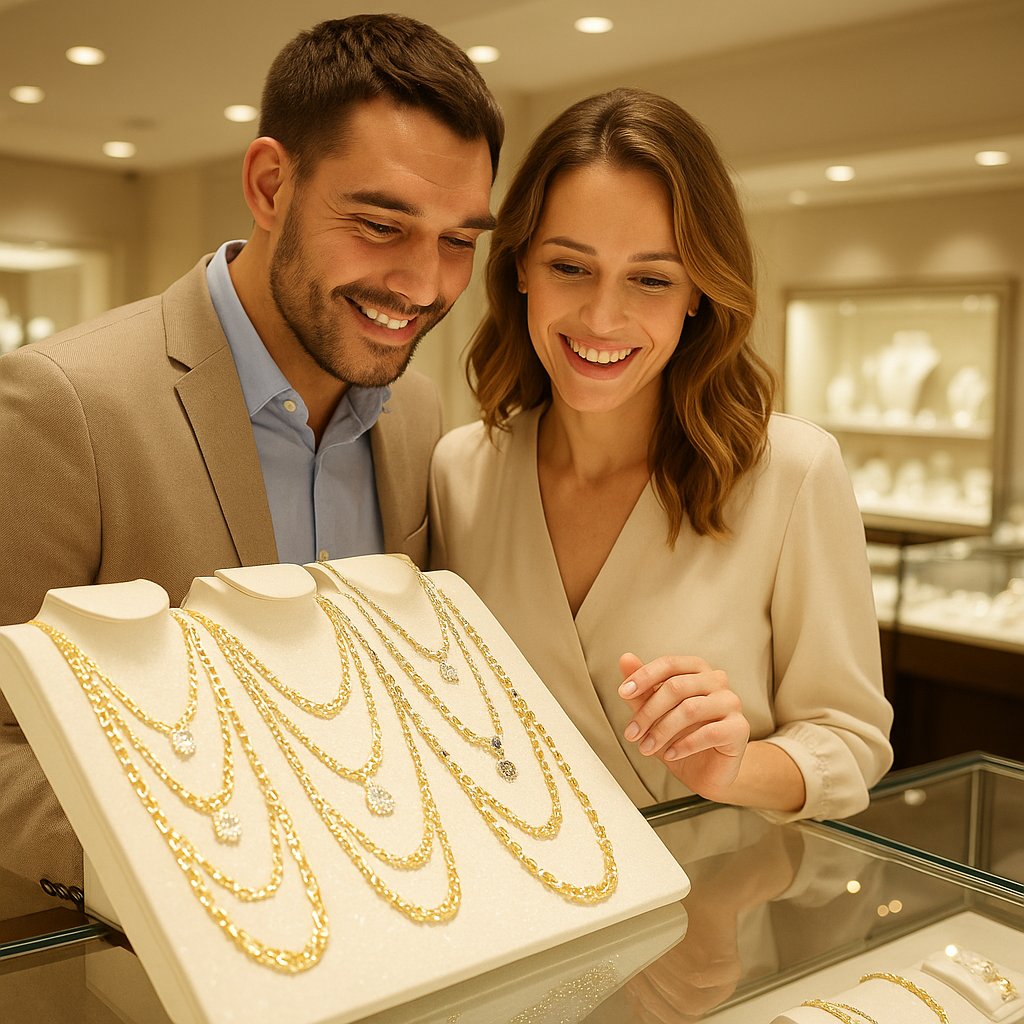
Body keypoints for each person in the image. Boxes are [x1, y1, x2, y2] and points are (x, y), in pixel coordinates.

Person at [0, 14, 503, 889]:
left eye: (459, 239)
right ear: (271, 186)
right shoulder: (63, 404)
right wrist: (239, 863)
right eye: (383, 224)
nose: (426, 284)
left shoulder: (417, 411)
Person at [429, 87, 892, 820]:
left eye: (650, 278)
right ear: (520, 269)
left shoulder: (791, 473)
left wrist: (736, 767)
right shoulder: (459, 473)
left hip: (708, 917)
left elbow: (851, 744)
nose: (603, 317)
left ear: (697, 293)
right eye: (569, 268)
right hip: (514, 911)